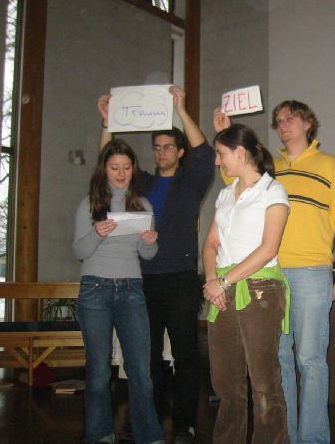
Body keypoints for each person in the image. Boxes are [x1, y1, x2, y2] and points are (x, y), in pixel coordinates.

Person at [214, 101, 335, 444]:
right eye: (278, 121)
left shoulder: (331, 166)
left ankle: (313, 438)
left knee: (310, 359)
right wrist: (225, 130)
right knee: (277, 362)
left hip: (311, 271)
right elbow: (234, 181)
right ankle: (286, 436)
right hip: (269, 275)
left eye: (290, 118)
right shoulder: (270, 169)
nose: (283, 125)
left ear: (309, 123)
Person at [98, 86, 214, 444]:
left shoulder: (191, 181)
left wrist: (181, 108)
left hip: (179, 278)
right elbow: (108, 163)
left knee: (184, 352)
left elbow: (206, 152)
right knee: (145, 354)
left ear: (179, 152)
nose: (161, 152)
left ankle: (184, 424)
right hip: (143, 278)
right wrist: (108, 123)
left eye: (168, 146)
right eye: (157, 147)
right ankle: (149, 416)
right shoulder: (143, 182)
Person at [202, 123, 290, 444]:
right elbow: (211, 243)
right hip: (223, 290)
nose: (217, 161)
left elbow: (269, 248)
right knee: (226, 385)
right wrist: (213, 280)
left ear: (240, 153)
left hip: (259, 290)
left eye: (221, 154)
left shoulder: (272, 191)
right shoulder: (225, 194)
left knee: (264, 383)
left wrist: (223, 281)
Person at [73, 139, 164, 444]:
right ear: (105, 169)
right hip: (94, 289)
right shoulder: (90, 203)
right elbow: (80, 251)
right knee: (98, 372)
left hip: (131, 289)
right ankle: (99, 434)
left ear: (133, 169)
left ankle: (149, 436)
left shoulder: (143, 205)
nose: (121, 173)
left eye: (127, 167)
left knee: (140, 370)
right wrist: (96, 233)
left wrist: (150, 241)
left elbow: (147, 255)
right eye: (115, 167)